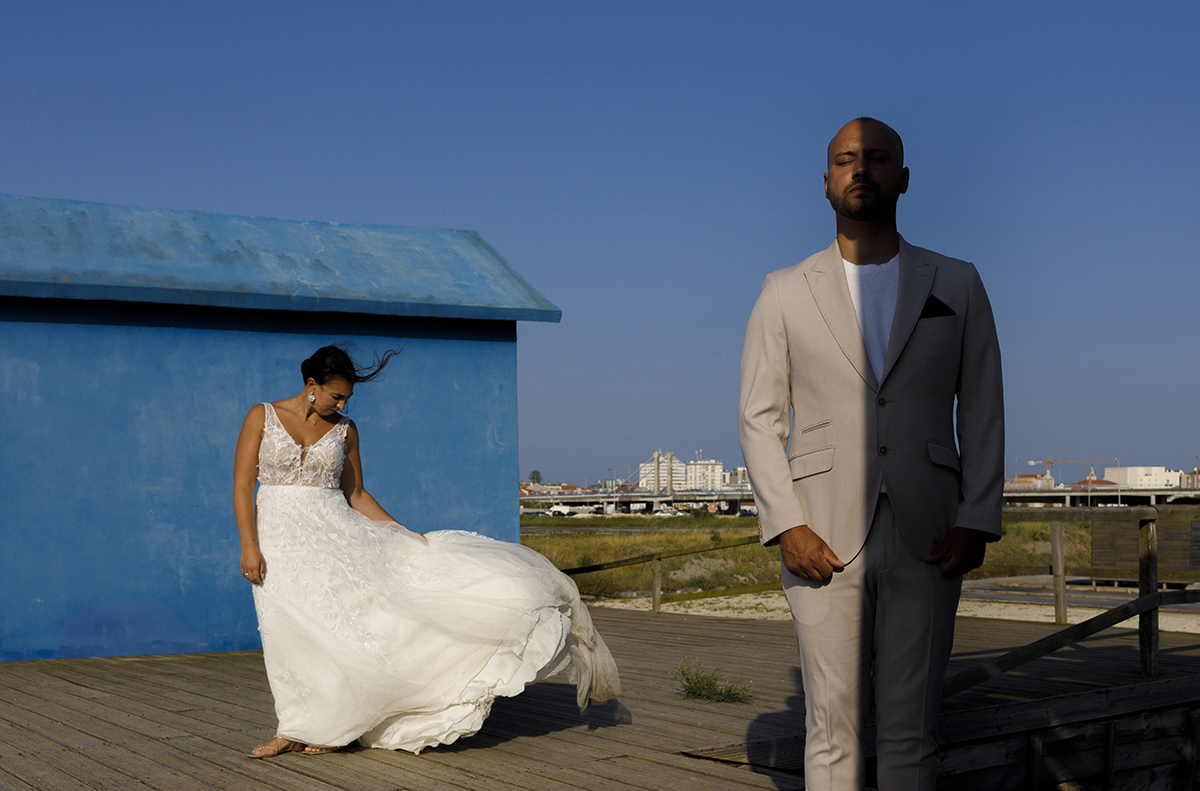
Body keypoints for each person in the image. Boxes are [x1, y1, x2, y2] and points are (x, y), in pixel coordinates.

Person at [738, 118, 1004, 789]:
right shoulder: (782, 290)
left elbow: (982, 407)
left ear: (904, 178)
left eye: (877, 158)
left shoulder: (959, 283)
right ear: (826, 181)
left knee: (914, 724)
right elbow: (758, 416)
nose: (862, 169)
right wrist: (786, 524)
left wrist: (979, 515)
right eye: (846, 159)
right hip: (821, 534)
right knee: (832, 724)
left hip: (932, 531)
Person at [234, 345, 620, 758]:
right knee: (288, 634)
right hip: (278, 541)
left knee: (341, 628)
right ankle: (293, 727)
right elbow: (242, 487)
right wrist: (249, 546)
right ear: (312, 386)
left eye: (347, 397)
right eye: (336, 396)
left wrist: (402, 532)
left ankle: (330, 727)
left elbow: (357, 494)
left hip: (335, 536)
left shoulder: (346, 430)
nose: (343, 404)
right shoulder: (263, 416)